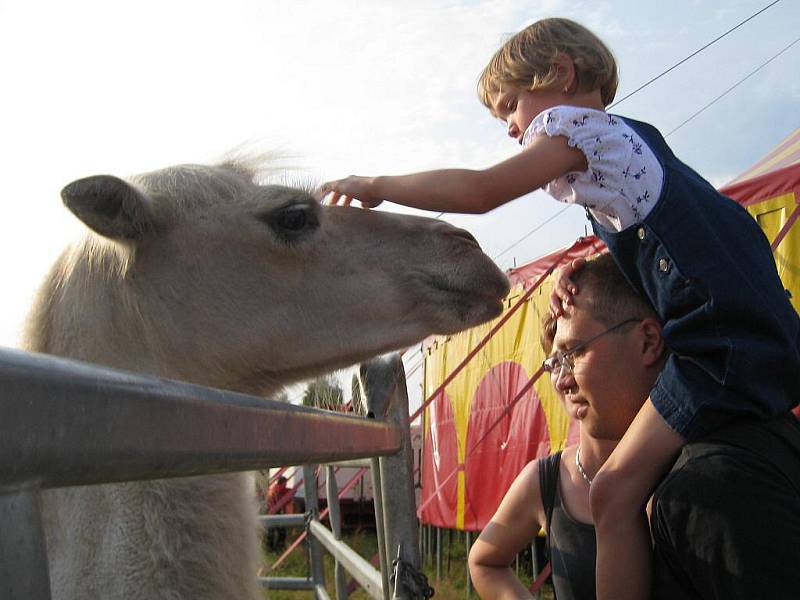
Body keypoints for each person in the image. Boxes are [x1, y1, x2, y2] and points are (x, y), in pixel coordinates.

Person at [319, 17, 800, 599]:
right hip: (756, 327)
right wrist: (594, 265)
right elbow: (674, 241)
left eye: (510, 106)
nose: (512, 129)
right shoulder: (633, 147)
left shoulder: (573, 129)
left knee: (614, 493)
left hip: (715, 340)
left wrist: (378, 185)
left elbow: (480, 190)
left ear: (560, 75)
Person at [468, 253, 664, 600]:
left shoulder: (695, 472)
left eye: (574, 353)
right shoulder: (547, 480)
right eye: (554, 362)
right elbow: (484, 561)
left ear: (648, 342)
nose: (561, 381)